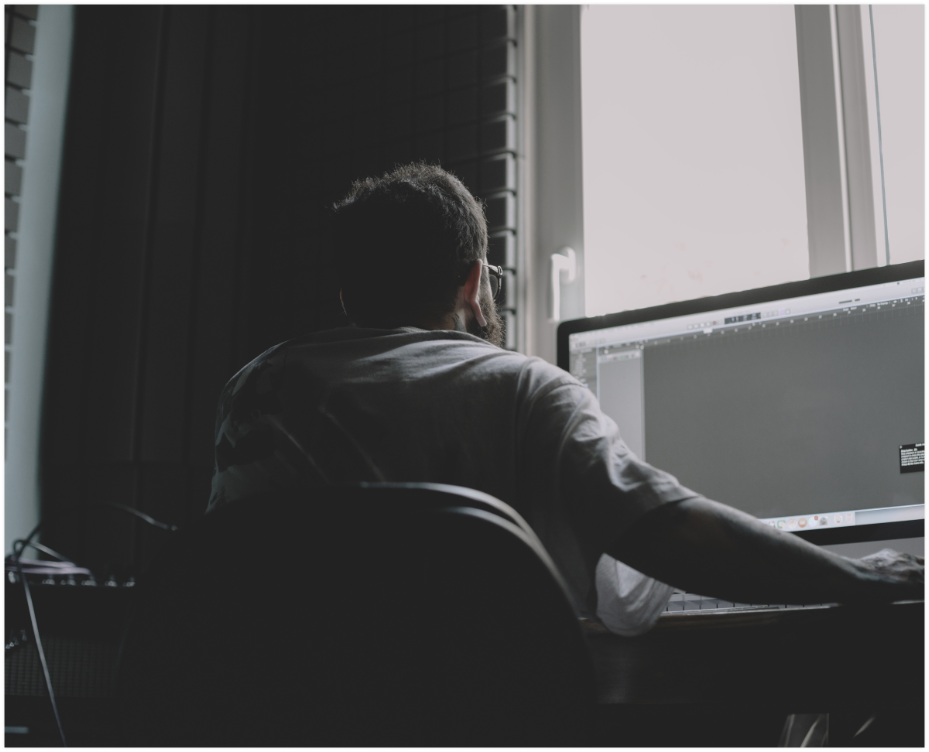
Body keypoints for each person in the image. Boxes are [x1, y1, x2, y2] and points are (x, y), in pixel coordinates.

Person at [207, 162, 924, 636]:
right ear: (471, 281)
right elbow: (668, 535)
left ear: (347, 295)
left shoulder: (260, 386)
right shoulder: (522, 389)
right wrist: (858, 574)